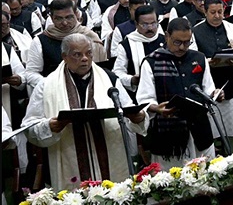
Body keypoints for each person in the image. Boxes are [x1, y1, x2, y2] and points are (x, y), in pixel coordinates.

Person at [21, 33, 148, 190]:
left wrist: (138, 117)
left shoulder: (110, 79)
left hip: (111, 158)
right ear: (64, 57)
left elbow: (127, 111)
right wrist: (50, 126)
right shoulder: (46, 86)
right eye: (77, 55)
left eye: (89, 53)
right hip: (69, 160)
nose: (85, 58)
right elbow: (30, 127)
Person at [136, 18, 220, 169]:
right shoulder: (152, 62)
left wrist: (215, 94)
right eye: (177, 42)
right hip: (168, 133)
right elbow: (144, 98)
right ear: (167, 36)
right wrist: (157, 108)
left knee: (206, 177)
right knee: (171, 180)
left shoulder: (199, 58)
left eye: (187, 42)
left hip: (199, 129)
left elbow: (208, 88)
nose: (182, 47)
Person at [191, 0, 233, 154]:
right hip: (208, 84)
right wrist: (208, 62)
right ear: (205, 11)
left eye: (220, 12)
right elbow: (192, 60)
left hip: (231, 82)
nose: (217, 16)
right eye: (213, 12)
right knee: (210, 129)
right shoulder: (196, 31)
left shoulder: (232, 28)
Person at [25, 0, 107, 95]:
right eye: (59, 18)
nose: (64, 23)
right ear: (51, 18)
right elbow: (31, 73)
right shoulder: (40, 41)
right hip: (54, 94)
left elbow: (103, 69)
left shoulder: (90, 37)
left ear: (76, 15)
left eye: (69, 17)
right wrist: (52, 84)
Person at [113, 5, 165, 101]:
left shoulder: (165, 41)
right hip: (137, 96)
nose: (150, 28)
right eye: (144, 25)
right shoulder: (126, 45)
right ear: (136, 24)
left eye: (153, 24)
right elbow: (117, 72)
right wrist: (132, 80)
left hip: (164, 92)